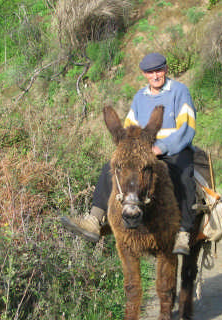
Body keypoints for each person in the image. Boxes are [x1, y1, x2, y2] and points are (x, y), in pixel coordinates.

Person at [61, 52, 196, 255]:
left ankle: (183, 232)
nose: (156, 75)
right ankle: (94, 219)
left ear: (166, 69)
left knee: (184, 174)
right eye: (150, 72)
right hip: (142, 152)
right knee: (111, 168)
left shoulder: (179, 91)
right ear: (144, 74)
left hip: (173, 149)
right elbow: (128, 129)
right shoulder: (139, 97)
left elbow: (187, 126)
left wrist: (161, 147)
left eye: (159, 70)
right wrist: (131, 151)